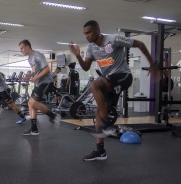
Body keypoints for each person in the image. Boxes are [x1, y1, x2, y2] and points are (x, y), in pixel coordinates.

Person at [69, 20, 160, 161]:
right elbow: (86, 67)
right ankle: (100, 150)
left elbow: (140, 44)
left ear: (97, 31)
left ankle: (106, 121)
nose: (86, 36)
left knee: (95, 85)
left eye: (89, 32)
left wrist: (152, 65)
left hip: (123, 76)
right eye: (84, 34)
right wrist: (78, 55)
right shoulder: (91, 47)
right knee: (97, 112)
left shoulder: (113, 39)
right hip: (110, 81)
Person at [19, 39, 61, 135]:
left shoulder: (38, 55)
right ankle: (34, 129)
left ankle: (53, 116)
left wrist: (36, 78)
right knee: (31, 104)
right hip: (39, 83)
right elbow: (35, 71)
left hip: (46, 82)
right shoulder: (29, 59)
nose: (21, 50)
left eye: (22, 48)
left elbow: (47, 70)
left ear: (27, 47)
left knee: (32, 102)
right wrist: (28, 76)